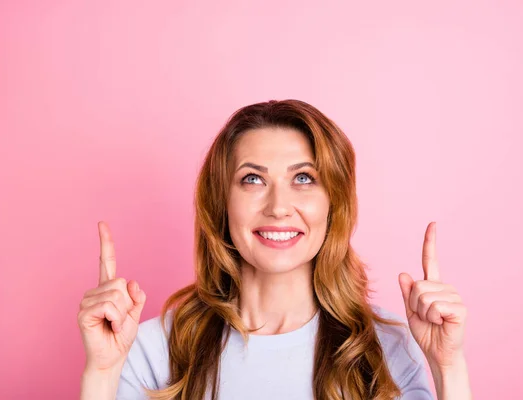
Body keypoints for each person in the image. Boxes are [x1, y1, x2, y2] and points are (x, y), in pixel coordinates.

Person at [78, 99, 472, 400]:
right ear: (222, 202)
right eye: (252, 179)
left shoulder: (387, 346)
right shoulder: (153, 349)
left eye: (303, 177)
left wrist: (448, 368)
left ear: (333, 202)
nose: (279, 206)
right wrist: (101, 373)